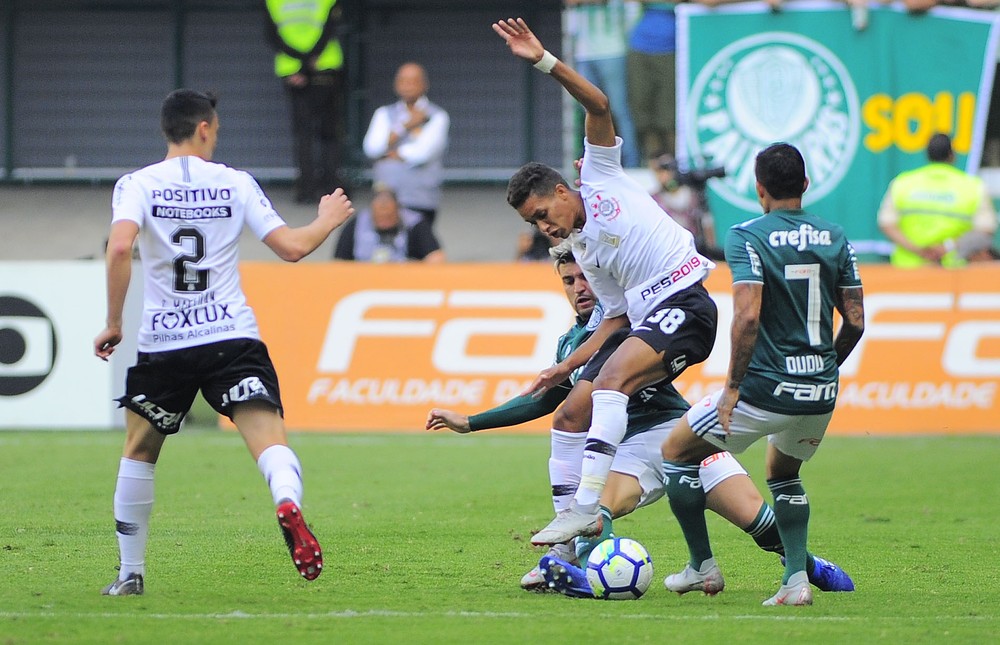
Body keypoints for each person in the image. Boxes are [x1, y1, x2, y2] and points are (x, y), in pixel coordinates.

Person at [426, 244, 854, 598]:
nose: (578, 288)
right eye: (568, 281)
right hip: (630, 447)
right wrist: (471, 421)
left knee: (760, 525)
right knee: (595, 510)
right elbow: (551, 400)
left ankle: (808, 566)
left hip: (679, 433)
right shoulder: (570, 345)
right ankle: (587, 574)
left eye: (584, 278)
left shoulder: (632, 324)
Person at [94, 89, 355, 595]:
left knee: (139, 451)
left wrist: (113, 321)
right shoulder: (236, 183)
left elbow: (120, 246)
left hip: (165, 341)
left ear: (167, 129)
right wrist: (326, 217)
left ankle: (130, 573)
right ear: (206, 127)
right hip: (230, 336)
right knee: (270, 442)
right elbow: (292, 248)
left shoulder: (137, 185)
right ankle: (286, 500)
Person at [493, 17, 718, 547]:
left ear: (563, 189)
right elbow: (614, 317)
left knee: (612, 379)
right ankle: (568, 544)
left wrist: (544, 60)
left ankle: (587, 508)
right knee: (572, 409)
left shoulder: (600, 177)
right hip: (648, 321)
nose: (544, 226)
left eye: (545, 211)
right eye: (533, 223)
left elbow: (598, 105)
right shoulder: (584, 251)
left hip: (688, 305)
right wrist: (565, 367)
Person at [660, 142, 866, 606]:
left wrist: (732, 388)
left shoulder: (748, 235)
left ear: (759, 188)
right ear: (805, 185)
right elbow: (855, 320)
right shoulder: (835, 237)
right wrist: (825, 368)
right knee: (783, 474)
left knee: (676, 451)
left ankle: (701, 566)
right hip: (818, 392)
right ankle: (795, 582)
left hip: (762, 390)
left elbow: (748, 315)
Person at [264, 0, 345, 204]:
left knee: (304, 134)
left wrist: (300, 65)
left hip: (293, 72)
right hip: (324, 67)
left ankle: (306, 191)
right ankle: (331, 189)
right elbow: (330, 29)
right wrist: (309, 63)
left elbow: (272, 36)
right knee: (328, 133)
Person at [878, 132, 998, 268]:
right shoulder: (974, 187)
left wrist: (919, 250)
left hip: (907, 269)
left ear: (927, 154)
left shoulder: (902, 183)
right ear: (952, 155)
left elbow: (886, 224)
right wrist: (946, 247)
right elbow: (985, 229)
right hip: (954, 271)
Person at [363, 62, 450, 226]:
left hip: (421, 198)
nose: (407, 86)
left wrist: (389, 153)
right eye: (403, 81)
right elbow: (372, 149)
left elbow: (422, 153)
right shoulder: (383, 113)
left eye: (413, 81)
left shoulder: (437, 116)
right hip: (386, 199)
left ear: (424, 85)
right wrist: (404, 126)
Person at [566, 0, 642, 168]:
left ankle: (631, 163)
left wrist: (624, 37)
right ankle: (591, 162)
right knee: (586, 109)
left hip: (612, 50)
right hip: (584, 52)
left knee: (619, 108)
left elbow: (632, 9)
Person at [333, 186, 445, 263]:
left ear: (398, 210)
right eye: (380, 217)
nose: (384, 221)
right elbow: (338, 262)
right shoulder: (357, 224)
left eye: (389, 216)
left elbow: (437, 258)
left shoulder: (415, 224)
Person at [626, 2, 678, 161]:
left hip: (672, 46)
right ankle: (654, 164)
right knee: (642, 113)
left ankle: (675, 166)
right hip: (639, 45)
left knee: (669, 116)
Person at [651, 152, 725, 261]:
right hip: (668, 251)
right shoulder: (654, 200)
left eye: (668, 170)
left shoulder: (692, 195)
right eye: (660, 171)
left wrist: (710, 247)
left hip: (694, 248)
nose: (664, 176)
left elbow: (706, 222)